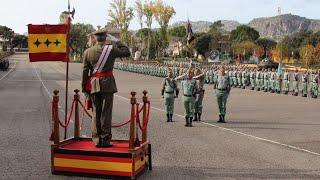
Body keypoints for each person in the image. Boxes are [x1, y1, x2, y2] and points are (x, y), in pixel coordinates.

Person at [82, 28, 131, 148]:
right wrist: (117, 41)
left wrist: (85, 89)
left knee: (95, 113)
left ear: (95, 38)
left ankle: (96, 139)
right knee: (106, 113)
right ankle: (105, 139)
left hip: (94, 85)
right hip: (107, 84)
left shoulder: (88, 52)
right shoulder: (112, 49)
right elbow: (127, 52)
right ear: (105, 38)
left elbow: (85, 72)